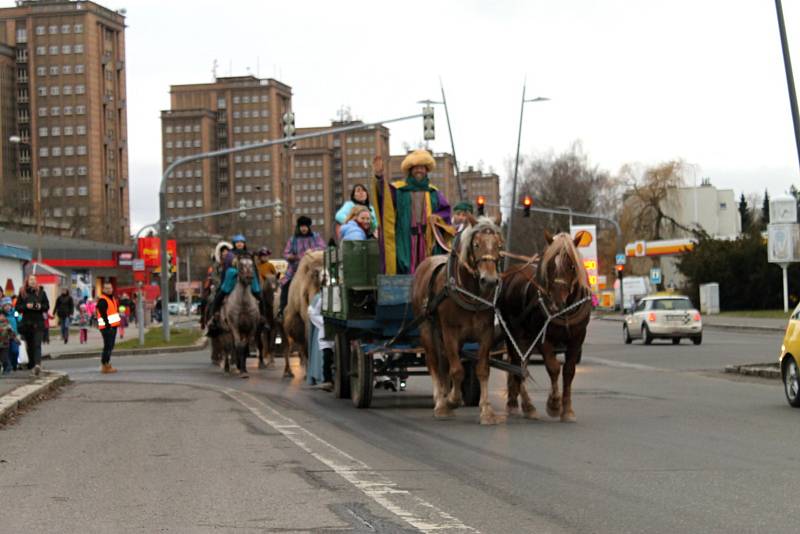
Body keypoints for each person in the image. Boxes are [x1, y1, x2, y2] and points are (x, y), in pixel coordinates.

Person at [372, 151, 451, 275]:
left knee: (429, 271)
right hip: (405, 240)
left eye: (422, 167)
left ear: (427, 170)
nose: (419, 170)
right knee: (404, 268)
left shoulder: (434, 193)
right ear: (410, 170)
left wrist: (438, 217)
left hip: (427, 241)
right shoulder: (399, 190)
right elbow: (384, 199)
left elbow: (446, 212)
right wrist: (379, 177)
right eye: (416, 167)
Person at [207, 235, 262, 334]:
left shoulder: (249, 254)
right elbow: (226, 269)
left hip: (249, 278)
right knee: (219, 294)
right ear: (234, 244)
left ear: (244, 244)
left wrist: (256, 280)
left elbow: (254, 269)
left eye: (241, 242)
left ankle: (263, 318)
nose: (240, 244)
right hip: (233, 278)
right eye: (237, 242)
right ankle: (214, 316)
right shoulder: (230, 255)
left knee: (260, 296)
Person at [279, 216, 325, 317]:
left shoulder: (316, 237)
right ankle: (282, 310)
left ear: (309, 227)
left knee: (325, 282)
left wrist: (312, 251)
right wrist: (295, 257)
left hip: (314, 269)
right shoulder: (293, 240)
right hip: (295, 270)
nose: (304, 228)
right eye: (302, 226)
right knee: (286, 285)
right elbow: (286, 253)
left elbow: (323, 247)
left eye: (305, 226)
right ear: (299, 227)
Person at [15, 275, 50, 376]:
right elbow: (17, 307)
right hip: (27, 323)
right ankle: (32, 365)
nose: (33, 281)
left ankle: (37, 365)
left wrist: (39, 306)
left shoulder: (41, 293)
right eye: (31, 279)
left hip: (38, 323)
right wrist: (26, 306)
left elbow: (46, 306)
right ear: (27, 281)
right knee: (30, 346)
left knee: (37, 344)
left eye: (34, 279)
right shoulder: (23, 293)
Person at [306, 291, 334, 390]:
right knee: (327, 355)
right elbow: (311, 312)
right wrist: (324, 323)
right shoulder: (321, 297)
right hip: (326, 331)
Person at [96, 282, 120, 374]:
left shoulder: (111, 298)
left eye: (110, 288)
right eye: (107, 288)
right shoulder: (103, 300)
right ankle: (105, 365)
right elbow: (103, 314)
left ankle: (107, 363)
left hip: (112, 326)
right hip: (107, 327)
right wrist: (108, 326)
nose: (109, 290)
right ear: (103, 289)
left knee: (110, 346)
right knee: (108, 346)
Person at [1, 297, 19, 371]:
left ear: (11, 305)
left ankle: (14, 364)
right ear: (3, 307)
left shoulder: (15, 312)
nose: (7, 307)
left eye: (8, 305)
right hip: (5, 336)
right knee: (7, 352)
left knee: (15, 351)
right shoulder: (2, 314)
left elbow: (20, 319)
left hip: (14, 335)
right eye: (5, 305)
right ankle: (9, 365)